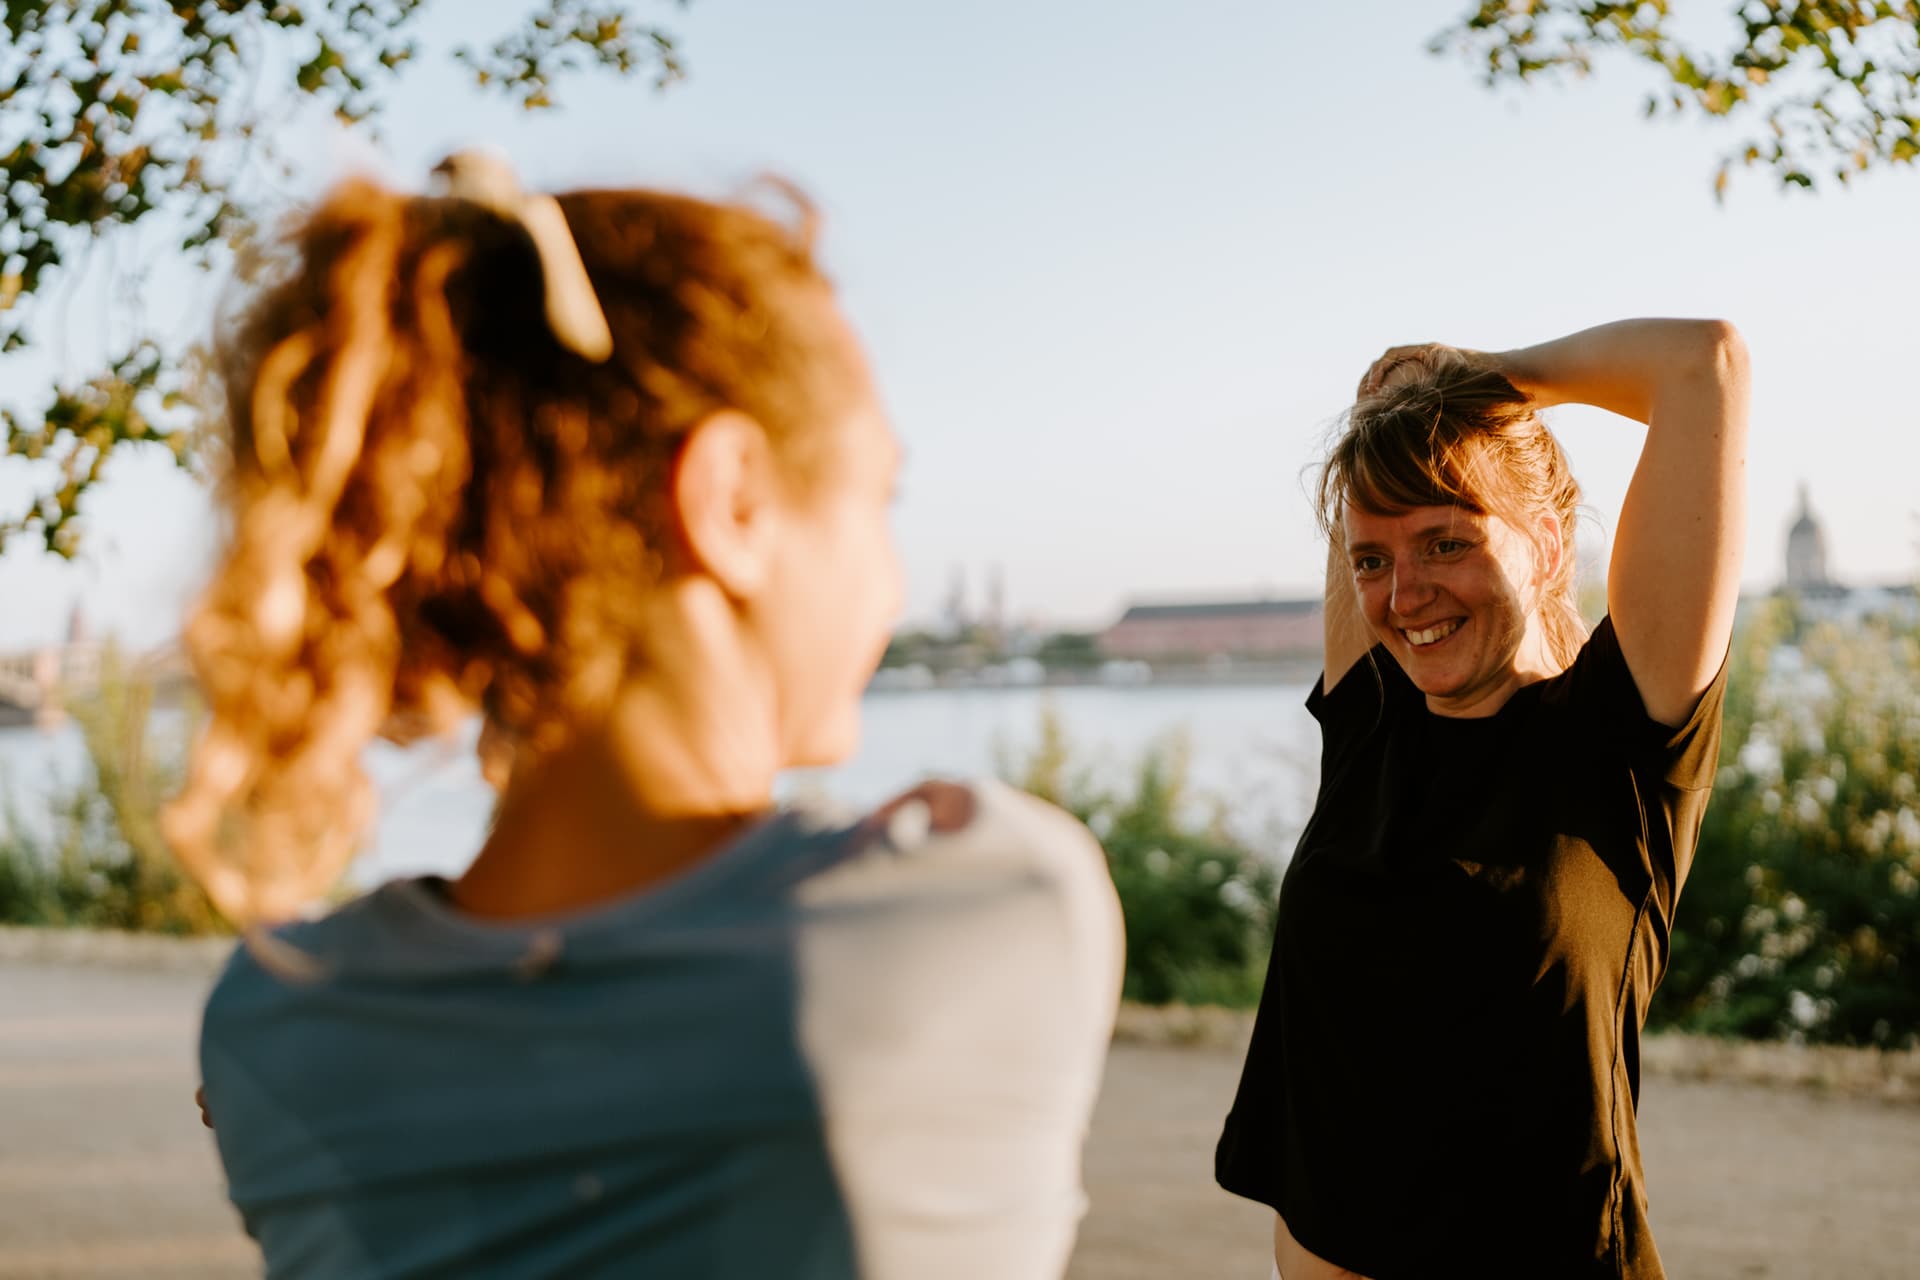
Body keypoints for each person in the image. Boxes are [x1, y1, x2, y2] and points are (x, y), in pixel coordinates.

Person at [166, 152, 1124, 1279]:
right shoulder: (993, 902)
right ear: (732, 502)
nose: (890, 577)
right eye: (878, 498)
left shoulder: (278, 1031)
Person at [1215, 320, 1749, 1279]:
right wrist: (1395, 412)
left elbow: (1702, 364)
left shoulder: (1620, 738)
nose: (1404, 594)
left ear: (1546, 546)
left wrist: (1481, 384)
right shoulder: (1374, 715)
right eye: (1372, 558)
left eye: (1445, 542)